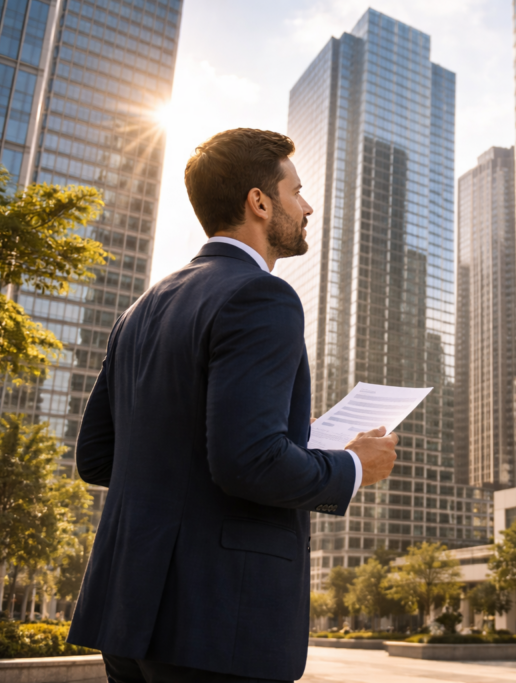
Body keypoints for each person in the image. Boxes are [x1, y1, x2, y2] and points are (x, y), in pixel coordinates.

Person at [67, 129, 398, 683]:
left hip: (127, 615)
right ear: (259, 202)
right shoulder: (261, 295)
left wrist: (287, 437)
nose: (307, 205)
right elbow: (248, 461)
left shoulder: (140, 310)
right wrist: (356, 465)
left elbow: (99, 457)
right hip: (219, 621)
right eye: (297, 190)